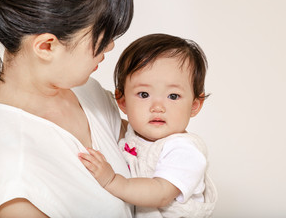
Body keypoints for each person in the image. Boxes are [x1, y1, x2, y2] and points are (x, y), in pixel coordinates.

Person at [0, 0, 134, 217]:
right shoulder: (16, 175)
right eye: (101, 38)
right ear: (47, 46)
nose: (110, 46)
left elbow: (145, 157)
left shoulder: (88, 91)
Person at [79, 33, 218, 217]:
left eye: (173, 96)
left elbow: (160, 193)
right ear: (122, 101)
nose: (158, 107)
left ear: (194, 106)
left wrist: (112, 180)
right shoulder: (129, 134)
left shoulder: (185, 150)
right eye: (144, 94)